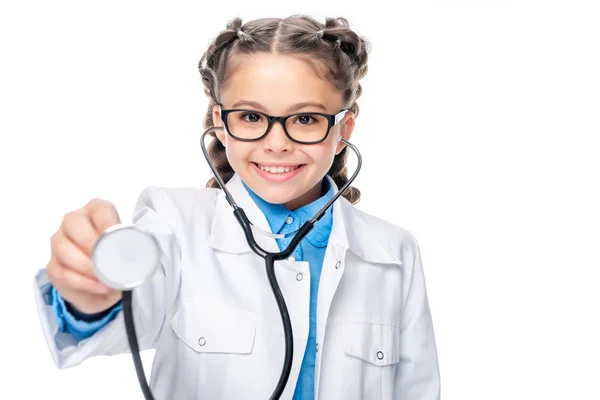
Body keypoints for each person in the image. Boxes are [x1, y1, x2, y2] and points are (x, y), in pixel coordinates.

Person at [33, 15, 440, 399]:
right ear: (221, 124)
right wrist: (87, 292)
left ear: (343, 128)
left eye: (305, 120)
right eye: (250, 116)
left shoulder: (394, 252)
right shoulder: (174, 222)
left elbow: (418, 389)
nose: (277, 143)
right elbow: (122, 321)